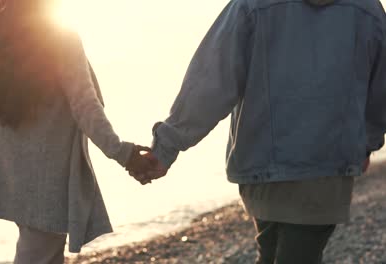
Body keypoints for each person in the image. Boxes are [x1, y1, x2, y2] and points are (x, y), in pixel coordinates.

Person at [132, 0, 386, 263]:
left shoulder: (252, 5)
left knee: (273, 253)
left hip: (262, 165)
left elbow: (211, 81)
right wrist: (367, 143)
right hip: (327, 168)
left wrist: (166, 148)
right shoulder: (366, 9)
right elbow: (380, 90)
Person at [0, 0, 154, 263]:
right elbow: (85, 106)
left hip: (13, 175)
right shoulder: (59, 37)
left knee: (42, 253)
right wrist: (124, 154)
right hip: (48, 180)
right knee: (39, 255)